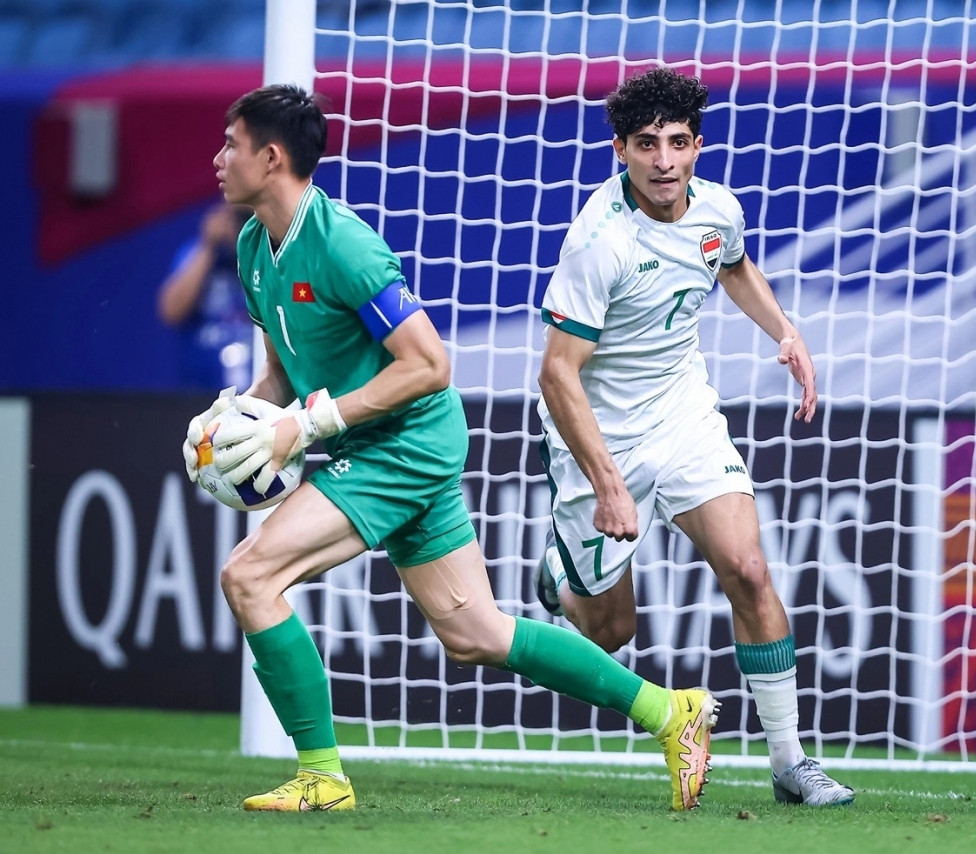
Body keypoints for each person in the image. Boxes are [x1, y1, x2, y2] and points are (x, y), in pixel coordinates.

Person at [181, 83, 718, 813]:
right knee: (475, 631)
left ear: (271, 157)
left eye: (230, 144)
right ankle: (669, 712)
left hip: (401, 446)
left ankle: (321, 776)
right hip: (376, 445)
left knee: (249, 577)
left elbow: (430, 363)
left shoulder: (343, 244)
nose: (218, 159)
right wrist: (243, 415)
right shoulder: (252, 246)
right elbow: (287, 366)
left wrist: (302, 430)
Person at [534, 66, 855, 807]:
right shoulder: (599, 243)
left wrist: (786, 331)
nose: (664, 161)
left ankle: (789, 763)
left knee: (747, 567)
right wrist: (610, 484)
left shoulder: (717, 209)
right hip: (599, 437)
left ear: (697, 146)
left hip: (683, 416)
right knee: (611, 632)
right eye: (646, 145)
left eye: (677, 143)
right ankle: (557, 575)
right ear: (621, 150)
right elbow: (558, 376)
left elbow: (733, 266)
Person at [157, 201, 255, 390]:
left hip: (259, 390)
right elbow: (171, 312)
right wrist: (208, 247)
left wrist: (247, 246)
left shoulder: (268, 255)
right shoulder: (197, 253)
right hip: (201, 390)